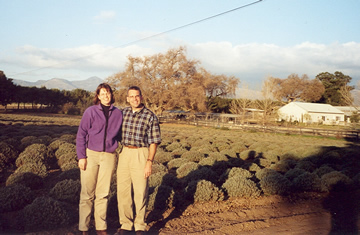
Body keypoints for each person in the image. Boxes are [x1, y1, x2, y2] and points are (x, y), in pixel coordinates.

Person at [76, 83, 123, 235]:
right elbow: (81, 134)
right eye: (102, 93)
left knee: (103, 193)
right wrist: (81, 156)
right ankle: (84, 227)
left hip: (109, 156)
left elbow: (121, 134)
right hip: (91, 155)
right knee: (87, 193)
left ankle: (101, 227)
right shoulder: (90, 112)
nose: (105, 96)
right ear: (98, 96)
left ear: (111, 94)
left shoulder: (118, 113)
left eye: (107, 92)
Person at [116, 86, 161, 235]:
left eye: (137, 96)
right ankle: (126, 224)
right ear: (127, 98)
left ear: (141, 97)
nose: (134, 99)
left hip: (141, 153)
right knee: (123, 190)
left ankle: (140, 225)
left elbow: (153, 142)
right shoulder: (122, 113)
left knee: (140, 190)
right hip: (124, 153)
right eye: (131, 96)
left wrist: (149, 161)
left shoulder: (150, 116)